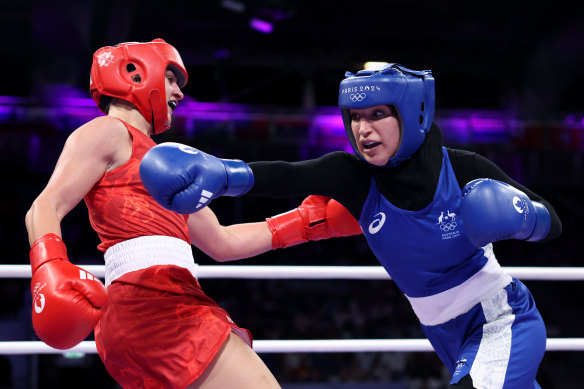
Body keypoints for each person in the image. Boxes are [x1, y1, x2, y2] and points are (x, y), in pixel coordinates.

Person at [141, 63, 562, 388]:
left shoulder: (465, 168)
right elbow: (287, 175)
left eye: (378, 114)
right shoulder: (355, 178)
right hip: (443, 333)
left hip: (499, 318)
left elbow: (553, 222)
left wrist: (525, 216)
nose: (363, 129)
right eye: (356, 116)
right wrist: (222, 175)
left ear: (412, 113)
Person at [24, 38, 361, 389]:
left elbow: (222, 241)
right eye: (171, 79)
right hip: (156, 305)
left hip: (142, 315)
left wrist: (308, 223)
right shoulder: (109, 131)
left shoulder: (165, 168)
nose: (179, 93)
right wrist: (49, 270)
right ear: (136, 73)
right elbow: (44, 208)